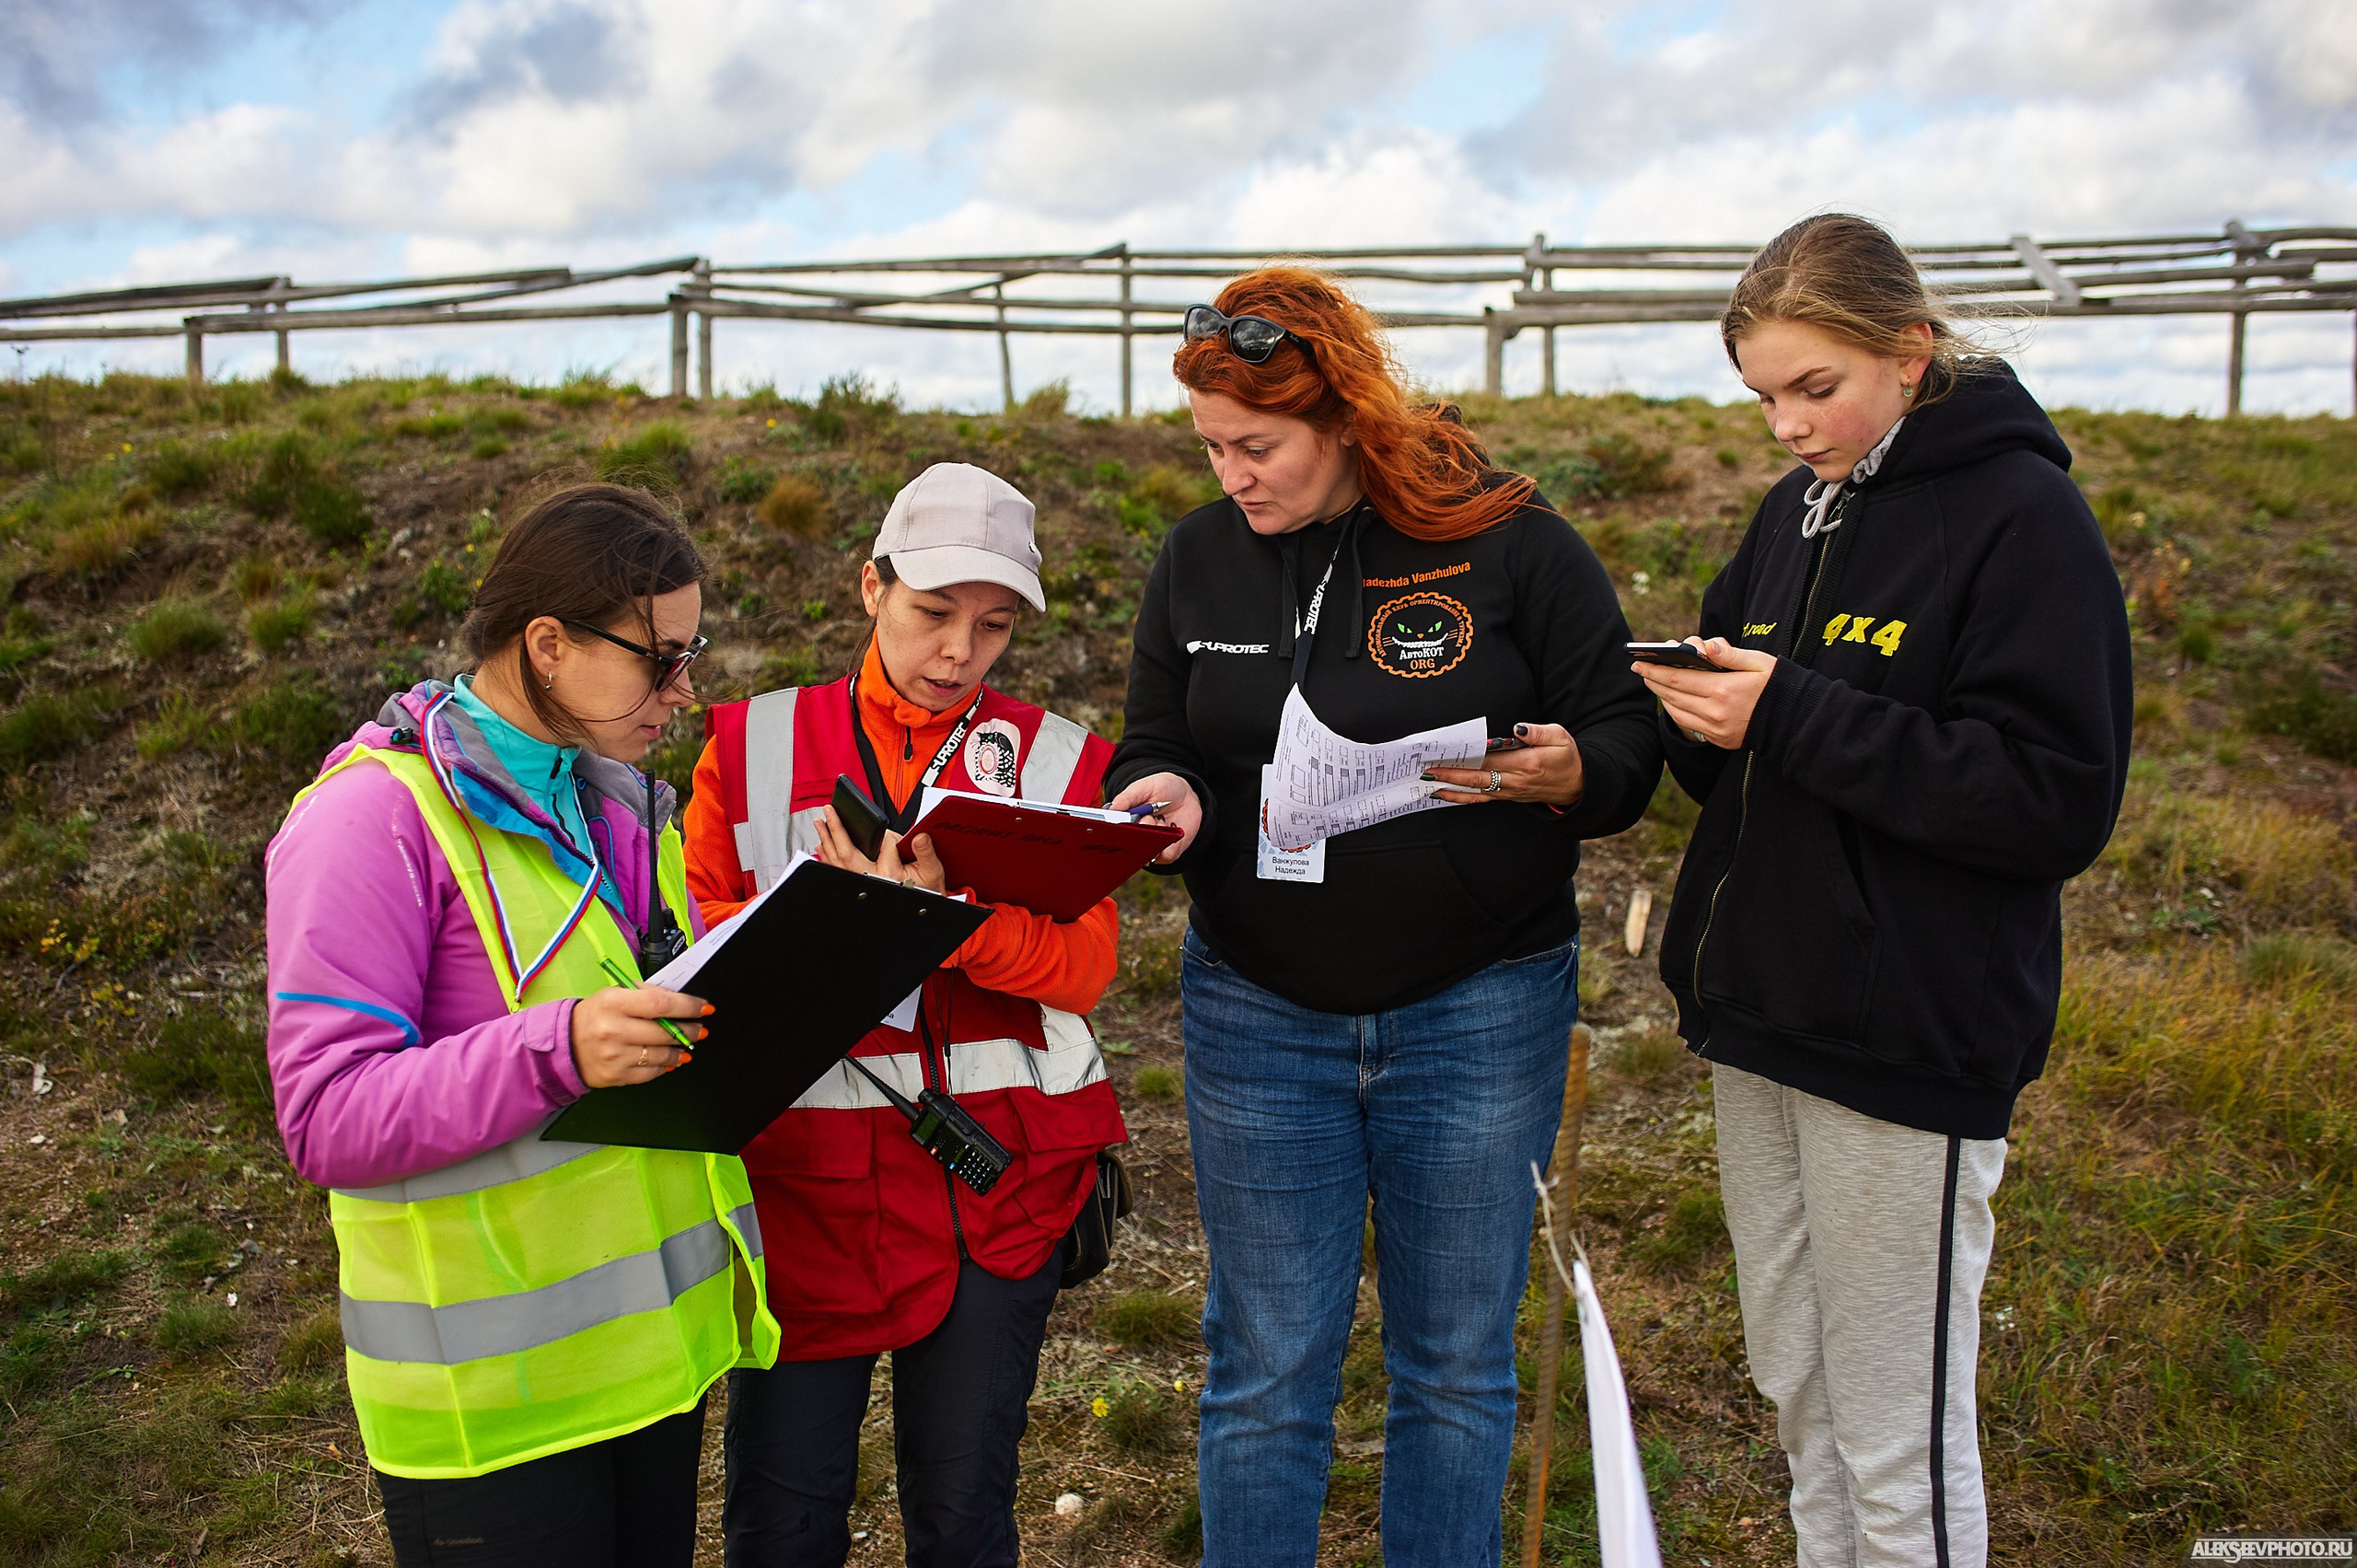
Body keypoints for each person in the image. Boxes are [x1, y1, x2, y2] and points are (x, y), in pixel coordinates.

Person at [1102, 269, 1663, 1567]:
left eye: (1259, 446)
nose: (1233, 474)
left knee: (1458, 1363)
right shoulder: (1197, 557)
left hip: (1479, 1003)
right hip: (1257, 1005)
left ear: (1347, 422)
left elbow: (1627, 733)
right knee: (1264, 1363)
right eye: (1211, 447)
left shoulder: (1512, 540)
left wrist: (1574, 769)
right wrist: (1166, 792)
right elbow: (1157, 735)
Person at [1637, 214, 2132, 1567]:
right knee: (1801, 1394)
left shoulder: (2024, 519)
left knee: (1896, 1437)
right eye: (1763, 397)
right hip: (1764, 1015)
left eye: (1816, 387)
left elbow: (2054, 797)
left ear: (1910, 352)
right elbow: (1743, 761)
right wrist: (1671, 716)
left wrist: (1787, 709)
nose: (1789, 425)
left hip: (1908, 1039)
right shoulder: (1792, 512)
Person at [264, 482, 779, 1568]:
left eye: (691, 653)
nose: (683, 692)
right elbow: (326, 1115)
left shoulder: (615, 803)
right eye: (659, 657)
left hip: (653, 1368)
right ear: (547, 643)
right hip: (493, 1413)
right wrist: (560, 1048)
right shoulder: (367, 819)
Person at [683, 462, 1126, 1568]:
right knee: (783, 1515)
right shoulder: (747, 750)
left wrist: (952, 920)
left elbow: (1083, 969)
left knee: (966, 1507)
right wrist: (847, 921)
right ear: (868, 587)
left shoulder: (1063, 759)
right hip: (807, 1194)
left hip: (1003, 1193)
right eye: (933, 613)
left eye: (991, 627)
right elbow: (702, 971)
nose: (956, 654)